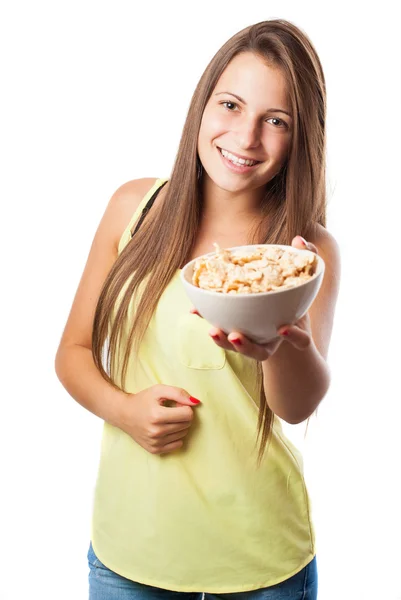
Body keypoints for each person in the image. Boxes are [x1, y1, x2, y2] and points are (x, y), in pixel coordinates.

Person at [55, 18, 340, 600]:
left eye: (276, 121)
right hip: (131, 554)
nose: (246, 137)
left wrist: (287, 340)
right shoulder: (134, 208)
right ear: (201, 106)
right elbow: (72, 352)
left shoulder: (303, 251)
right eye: (231, 105)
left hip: (262, 561)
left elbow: (295, 406)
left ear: (299, 138)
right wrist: (124, 409)